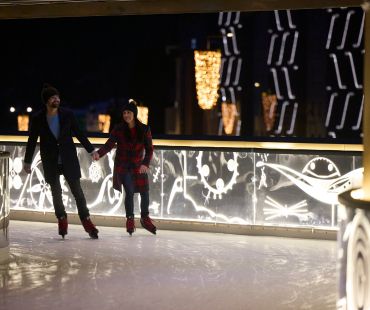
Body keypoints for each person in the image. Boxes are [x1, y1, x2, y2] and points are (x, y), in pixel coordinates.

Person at [23, 83, 99, 239]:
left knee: (78, 192)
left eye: (57, 97)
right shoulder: (38, 118)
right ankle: (62, 220)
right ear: (46, 101)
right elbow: (32, 141)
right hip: (50, 161)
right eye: (53, 97)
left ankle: (87, 222)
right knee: (56, 193)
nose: (56, 99)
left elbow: (79, 133)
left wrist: (91, 150)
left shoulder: (67, 114)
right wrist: (27, 161)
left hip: (68, 159)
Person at [92, 99, 156, 235]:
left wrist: (145, 163)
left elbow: (150, 149)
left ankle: (145, 218)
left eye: (129, 112)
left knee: (145, 192)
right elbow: (109, 144)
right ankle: (130, 219)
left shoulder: (144, 129)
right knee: (130, 191)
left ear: (134, 113)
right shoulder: (118, 129)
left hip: (139, 166)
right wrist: (99, 153)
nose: (126, 115)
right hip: (124, 166)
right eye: (124, 113)